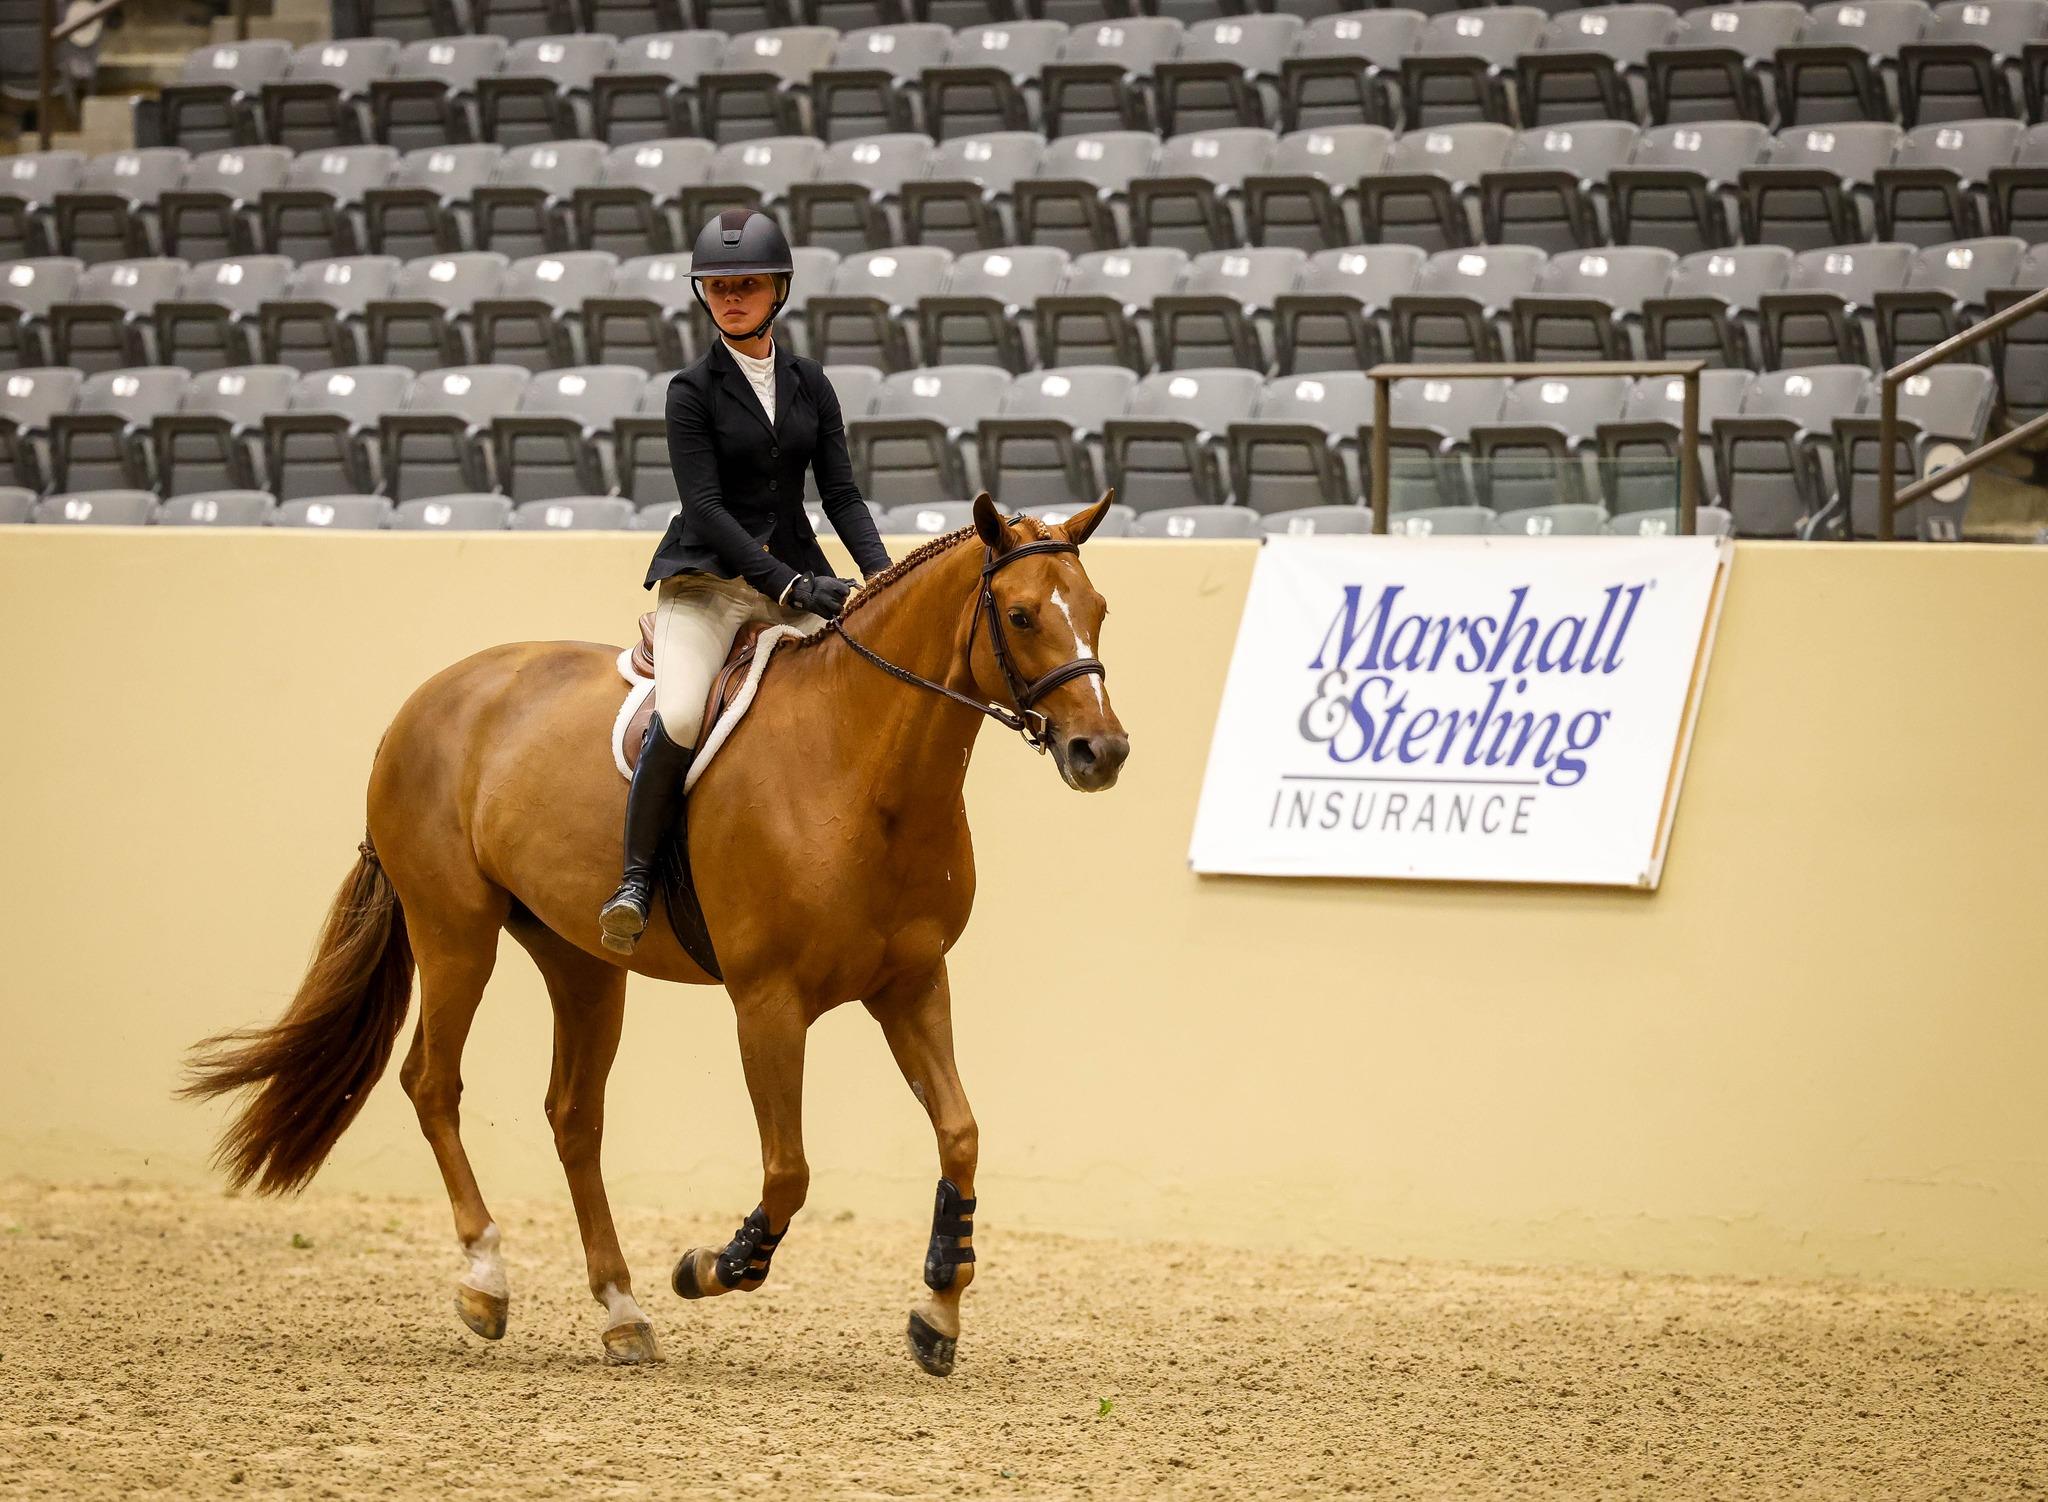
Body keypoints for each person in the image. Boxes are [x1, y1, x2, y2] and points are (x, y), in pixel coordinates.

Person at [599, 209, 893, 955]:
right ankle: (635, 878)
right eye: (719, 286)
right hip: (708, 584)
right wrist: (790, 587)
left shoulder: (810, 383)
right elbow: (705, 505)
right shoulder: (689, 391)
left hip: (791, 571)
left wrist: (886, 579)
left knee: (868, 685)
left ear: (777, 291)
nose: (732, 297)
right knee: (688, 714)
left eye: (747, 284)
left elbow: (841, 495)